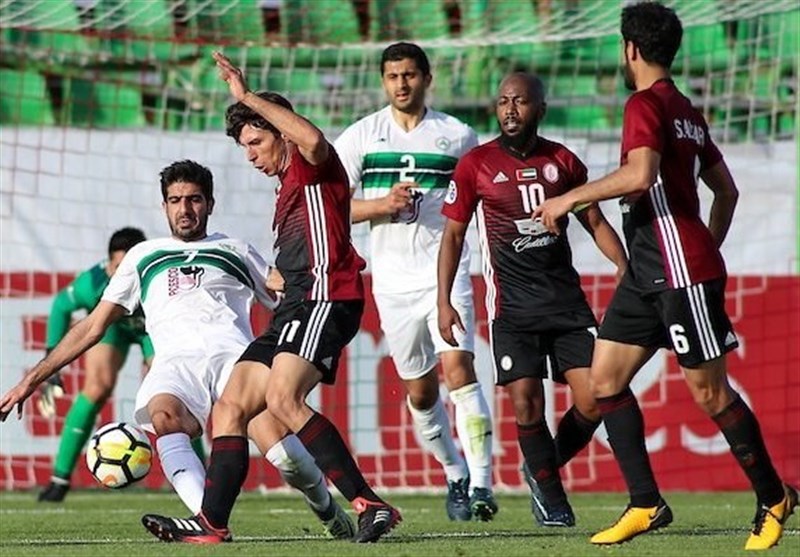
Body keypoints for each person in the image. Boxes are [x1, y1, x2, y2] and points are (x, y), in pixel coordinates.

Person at [532, 2, 797, 549]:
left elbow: (640, 174)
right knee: (604, 381)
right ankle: (645, 503)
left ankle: (774, 496)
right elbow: (726, 189)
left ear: (630, 48)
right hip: (651, 272)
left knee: (709, 392)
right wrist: (707, 245)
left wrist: (568, 200)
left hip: (677, 272)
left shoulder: (645, 104)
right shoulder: (685, 109)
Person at [0, 160, 354, 540]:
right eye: (175, 200)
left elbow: (290, 293)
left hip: (235, 363)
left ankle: (327, 508)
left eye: (194, 200)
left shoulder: (233, 248)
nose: (185, 209)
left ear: (210, 203)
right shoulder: (142, 257)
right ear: (164, 206)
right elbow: (92, 325)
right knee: (165, 417)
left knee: (284, 455)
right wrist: (32, 378)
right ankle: (209, 521)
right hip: (174, 366)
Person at [139, 52, 400, 545]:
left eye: (256, 142)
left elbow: (316, 140)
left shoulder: (310, 163)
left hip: (327, 294)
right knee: (230, 408)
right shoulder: (287, 190)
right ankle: (212, 524)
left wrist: (246, 97)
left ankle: (371, 504)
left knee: (282, 398)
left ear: (280, 132)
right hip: (296, 303)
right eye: (245, 147)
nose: (252, 156)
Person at [438, 72, 627, 528]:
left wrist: (625, 269)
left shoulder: (562, 161)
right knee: (526, 402)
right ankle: (551, 495)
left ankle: (541, 470)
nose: (509, 109)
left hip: (565, 304)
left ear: (539, 108)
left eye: (519, 101)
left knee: (594, 399)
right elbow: (453, 236)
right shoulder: (475, 165)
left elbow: (596, 222)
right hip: (512, 309)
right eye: (502, 100)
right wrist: (443, 301)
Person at [333, 41, 496, 521]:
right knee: (421, 394)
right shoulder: (362, 136)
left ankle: (484, 485)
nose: (401, 84)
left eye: (409, 75)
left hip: (446, 276)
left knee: (460, 370)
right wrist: (382, 205)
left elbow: (484, 196)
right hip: (391, 283)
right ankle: (455, 471)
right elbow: (330, 206)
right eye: (392, 76)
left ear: (427, 78)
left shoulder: (458, 136)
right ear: (383, 82)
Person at [35, 227, 171, 502]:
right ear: (109, 265)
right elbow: (62, 305)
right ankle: (60, 478)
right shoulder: (95, 282)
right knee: (96, 388)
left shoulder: (162, 280)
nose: (125, 273)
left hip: (154, 330)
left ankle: (200, 477)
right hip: (112, 327)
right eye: (119, 267)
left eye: (131, 267)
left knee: (171, 393)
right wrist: (51, 358)